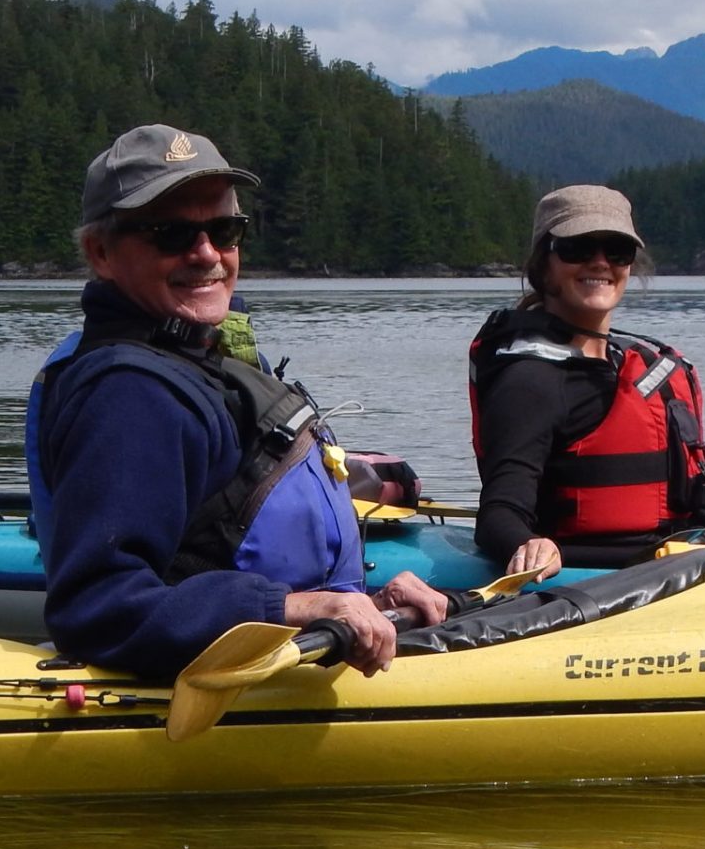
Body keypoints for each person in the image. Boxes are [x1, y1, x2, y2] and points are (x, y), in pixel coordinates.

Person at [37, 124, 444, 679]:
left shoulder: (196, 364)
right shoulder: (131, 396)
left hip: (291, 654)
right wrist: (299, 608)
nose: (207, 254)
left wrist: (367, 604)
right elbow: (96, 611)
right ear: (101, 253)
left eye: (225, 230)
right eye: (170, 234)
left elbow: (209, 547)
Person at [469, 185, 705, 580]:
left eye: (617, 251)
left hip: (670, 558)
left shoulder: (627, 363)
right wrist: (526, 544)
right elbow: (498, 514)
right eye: (578, 249)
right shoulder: (530, 381)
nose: (600, 263)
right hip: (589, 577)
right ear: (543, 264)